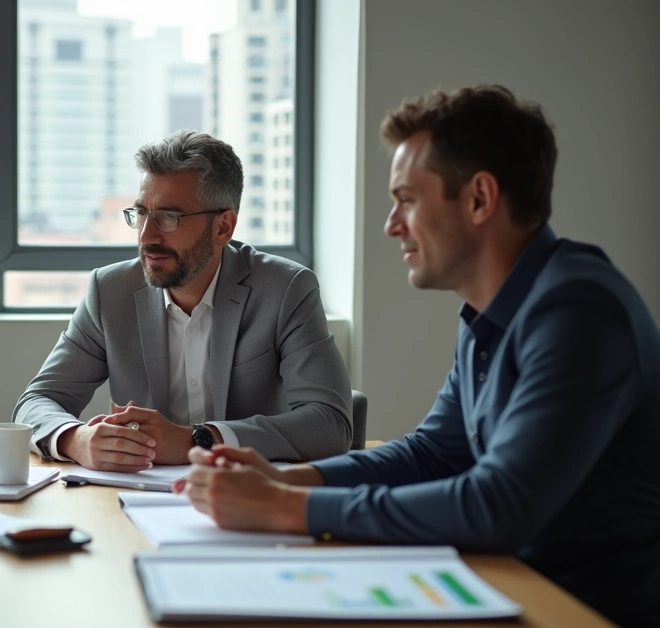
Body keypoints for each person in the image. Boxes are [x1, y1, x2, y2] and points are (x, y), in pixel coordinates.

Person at [177, 85, 660, 627]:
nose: (391, 224)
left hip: (577, 610)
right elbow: (434, 454)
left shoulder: (579, 312)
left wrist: (284, 509)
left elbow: (498, 505)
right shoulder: (491, 312)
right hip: (505, 585)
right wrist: (287, 479)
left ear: (479, 198)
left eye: (407, 199)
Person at [14, 130, 352, 472]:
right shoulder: (109, 291)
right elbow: (36, 401)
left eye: (168, 217)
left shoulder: (285, 289)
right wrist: (76, 439)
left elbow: (330, 423)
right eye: (142, 213)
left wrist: (199, 440)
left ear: (223, 227)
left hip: (249, 494)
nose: (147, 236)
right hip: (139, 497)